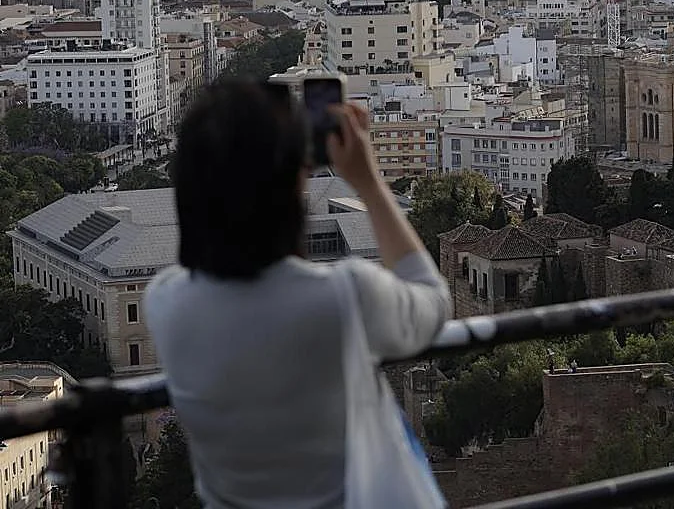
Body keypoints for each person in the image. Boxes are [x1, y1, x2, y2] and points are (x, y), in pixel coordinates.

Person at [147, 80, 451, 508]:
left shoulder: (165, 303)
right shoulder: (341, 298)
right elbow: (433, 301)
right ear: (294, 185)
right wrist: (368, 183)